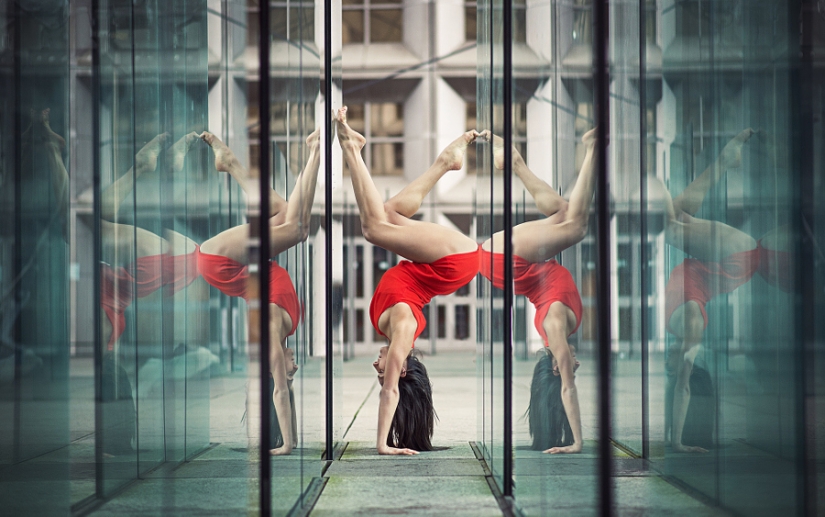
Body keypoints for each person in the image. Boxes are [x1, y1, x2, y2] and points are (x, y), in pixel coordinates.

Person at [335, 106, 481, 455]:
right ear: (399, 371)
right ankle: (351, 148)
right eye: (382, 370)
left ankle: (445, 162)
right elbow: (389, 393)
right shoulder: (402, 332)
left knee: (385, 215)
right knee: (372, 228)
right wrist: (383, 444)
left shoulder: (393, 328)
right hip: (452, 264)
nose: (377, 366)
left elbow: (389, 385)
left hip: (444, 266)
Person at [197, 129, 320, 456]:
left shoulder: (271, 335)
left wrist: (288, 445)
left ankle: (315, 151)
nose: (295, 370)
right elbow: (283, 392)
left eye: (289, 373)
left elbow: (280, 393)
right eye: (293, 374)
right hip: (238, 265)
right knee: (282, 211)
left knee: (297, 228)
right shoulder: (287, 327)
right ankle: (231, 164)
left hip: (219, 261)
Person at [479, 128, 597, 454]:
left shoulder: (555, 331)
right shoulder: (559, 332)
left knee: (578, 225)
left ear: (559, 367)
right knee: (564, 211)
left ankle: (592, 148)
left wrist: (577, 442)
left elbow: (569, 390)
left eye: (571, 367)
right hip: (514, 265)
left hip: (506, 261)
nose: (578, 365)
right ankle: (514, 161)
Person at [656, 128, 757, 452]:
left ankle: (725, 161)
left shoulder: (674, 321)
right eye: (673, 367)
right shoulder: (692, 327)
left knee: (678, 213)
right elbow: (682, 388)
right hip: (737, 258)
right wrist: (677, 443)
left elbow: (677, 385)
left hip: (717, 260)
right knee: (672, 227)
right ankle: (725, 161)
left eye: (666, 367)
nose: (668, 365)